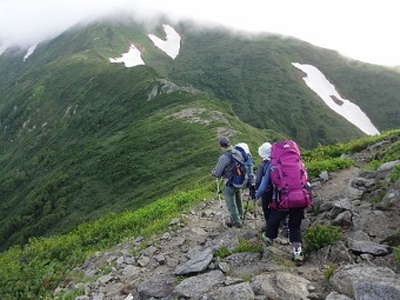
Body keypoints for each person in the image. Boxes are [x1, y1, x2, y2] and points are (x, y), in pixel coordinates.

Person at [255, 141, 307, 263]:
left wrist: (256, 196)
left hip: (282, 201)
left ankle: (268, 241)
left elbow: (263, 187)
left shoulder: (273, 166)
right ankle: (297, 253)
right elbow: (305, 181)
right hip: (299, 199)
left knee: (272, 222)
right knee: (295, 226)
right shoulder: (299, 164)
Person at [212, 137, 254, 227]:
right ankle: (241, 215)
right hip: (239, 180)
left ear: (220, 145)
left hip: (230, 182)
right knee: (238, 198)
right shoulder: (237, 152)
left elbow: (217, 173)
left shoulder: (224, 157)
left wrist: (213, 172)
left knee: (230, 202)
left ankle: (236, 222)